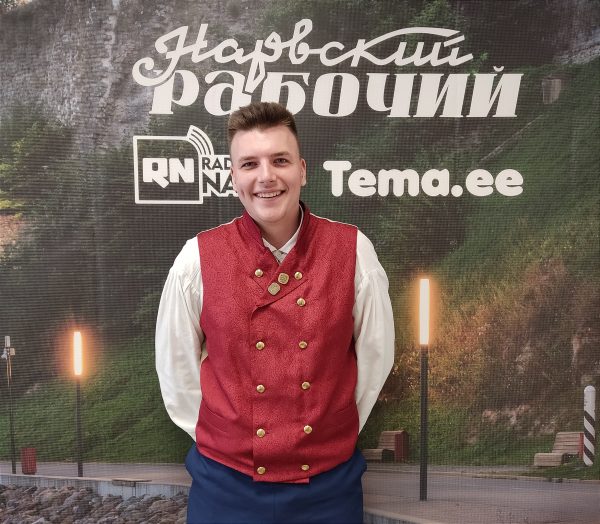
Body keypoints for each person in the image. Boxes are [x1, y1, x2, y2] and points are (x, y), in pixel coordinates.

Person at [156, 101, 395, 524]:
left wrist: (327, 430)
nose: (266, 176)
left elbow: (376, 359)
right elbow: (177, 373)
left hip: (328, 489)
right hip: (225, 485)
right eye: (249, 164)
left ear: (302, 170)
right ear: (233, 178)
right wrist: (229, 436)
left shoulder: (354, 251)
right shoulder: (196, 259)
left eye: (280, 160)